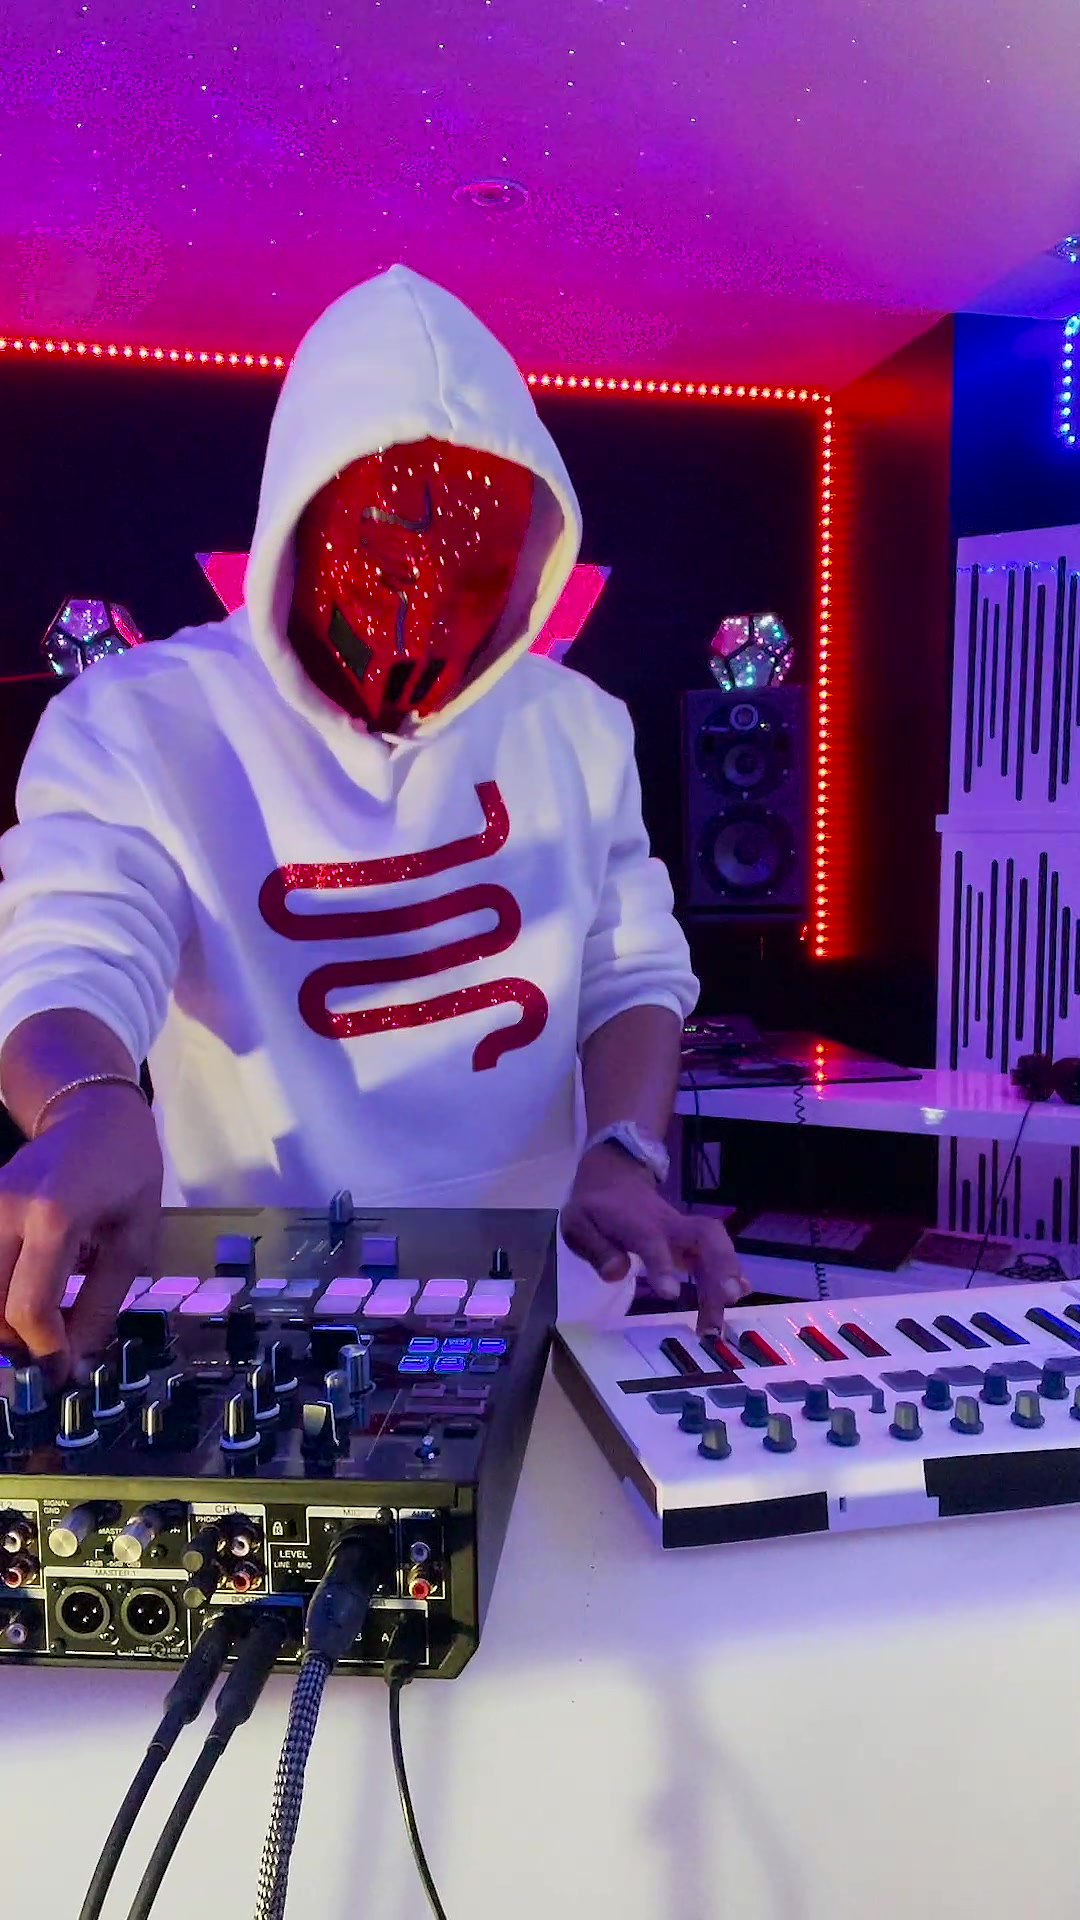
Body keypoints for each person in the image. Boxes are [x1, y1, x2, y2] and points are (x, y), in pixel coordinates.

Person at [0, 265, 744, 1380]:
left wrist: (625, 1150)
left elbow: (629, 970)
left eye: (477, 564)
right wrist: (87, 1103)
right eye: (388, 550)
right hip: (252, 1318)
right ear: (298, 523)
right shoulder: (142, 722)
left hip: (552, 1306)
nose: (422, 604)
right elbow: (75, 944)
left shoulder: (577, 726)